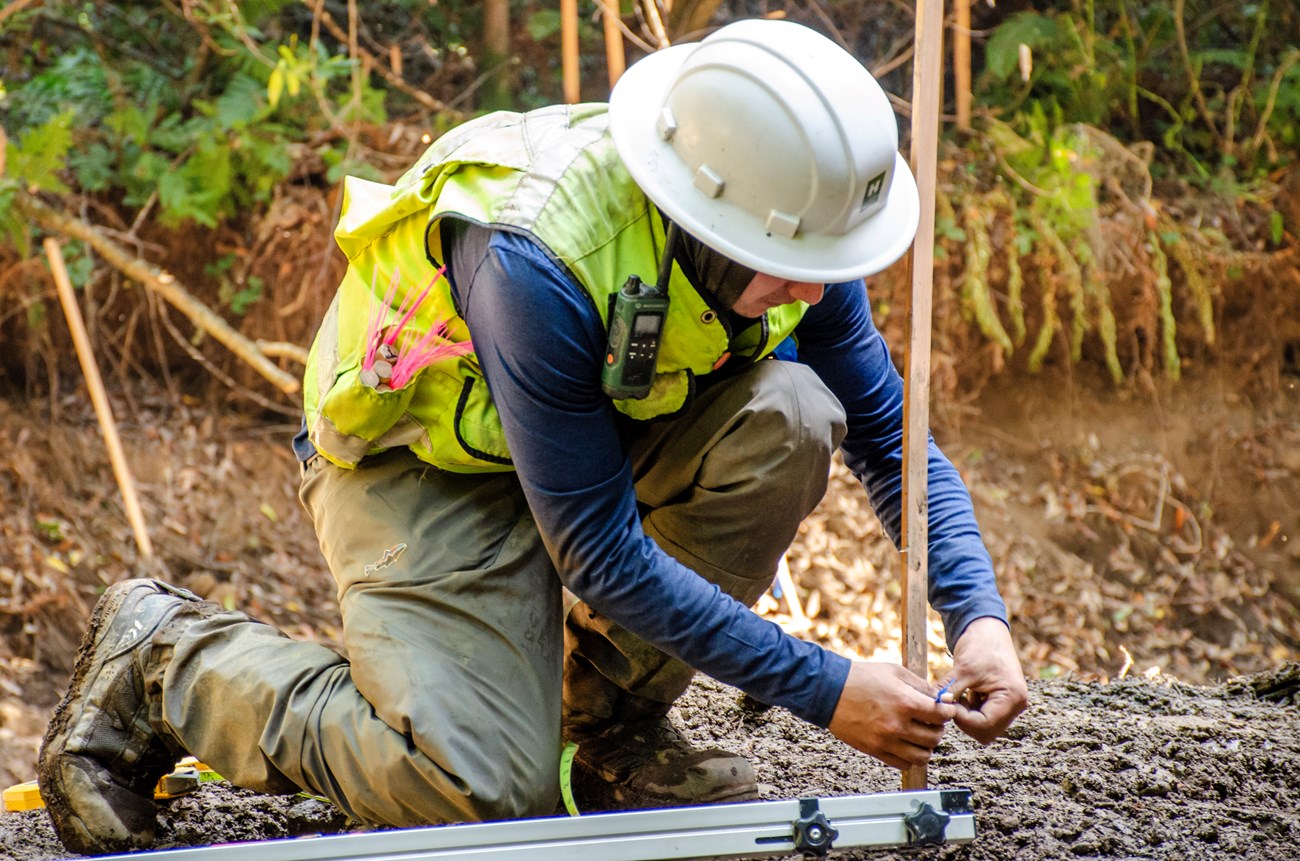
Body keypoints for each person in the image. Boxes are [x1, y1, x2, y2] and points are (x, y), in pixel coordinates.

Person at [38, 18, 1028, 856]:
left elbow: (891, 438)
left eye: (822, 261)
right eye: (784, 265)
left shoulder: (793, 229)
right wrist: (825, 686)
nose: (814, 291)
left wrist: (977, 617)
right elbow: (594, 550)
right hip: (418, 458)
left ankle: (605, 732)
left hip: (589, 433)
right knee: (476, 793)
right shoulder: (534, 252)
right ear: (701, 212)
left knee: (796, 413)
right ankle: (170, 658)